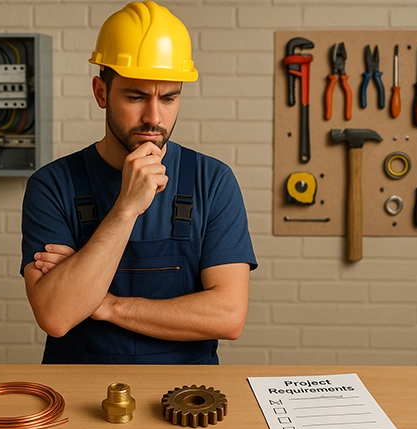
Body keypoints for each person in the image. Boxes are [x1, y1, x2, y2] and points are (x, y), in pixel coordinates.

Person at [20, 0, 257, 364]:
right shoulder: (52, 185)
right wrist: (126, 208)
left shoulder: (212, 181)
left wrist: (109, 305)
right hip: (78, 394)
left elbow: (227, 316)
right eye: (135, 96)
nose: (154, 117)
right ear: (101, 93)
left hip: (187, 397)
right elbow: (55, 315)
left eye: (169, 97)